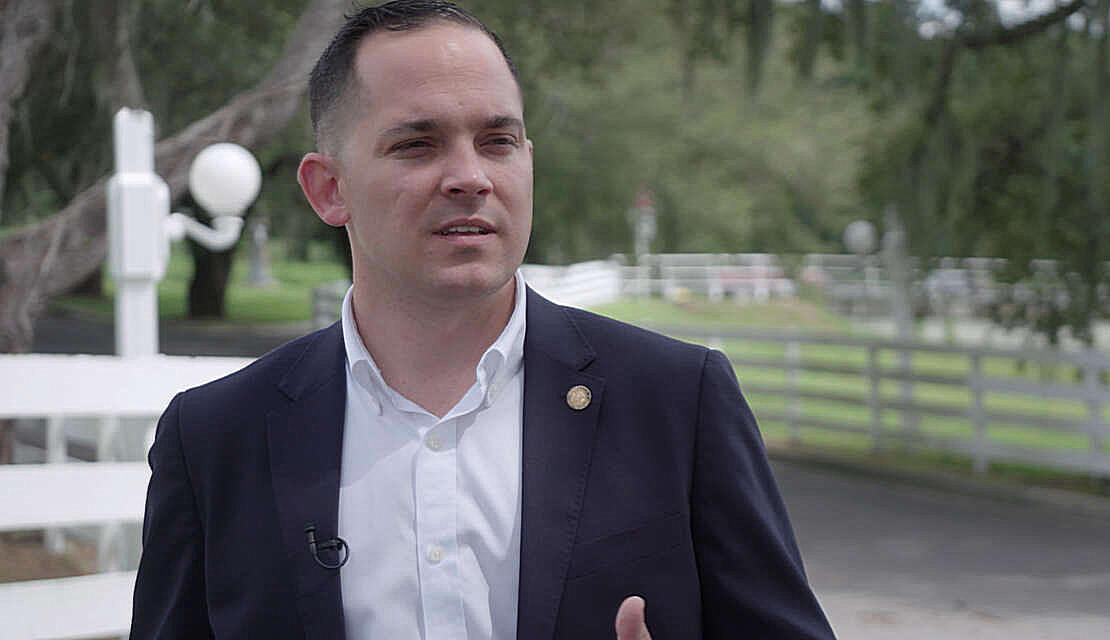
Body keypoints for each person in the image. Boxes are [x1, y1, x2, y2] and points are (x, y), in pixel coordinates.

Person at [129, 2, 836, 639]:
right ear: (329, 188)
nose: (470, 176)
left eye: (498, 141)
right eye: (417, 144)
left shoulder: (679, 401)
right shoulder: (215, 438)